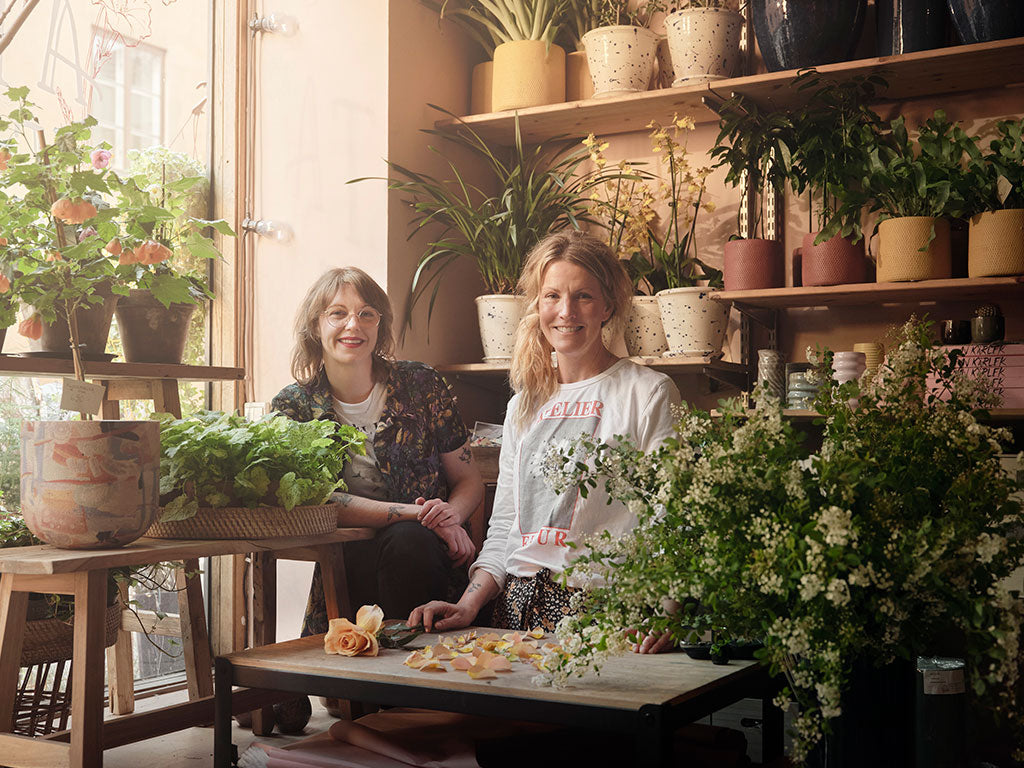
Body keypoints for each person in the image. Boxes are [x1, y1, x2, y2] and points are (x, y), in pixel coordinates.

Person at [409, 231, 681, 653]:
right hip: (514, 612)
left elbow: (671, 515)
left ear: (608, 305)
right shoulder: (524, 404)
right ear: (537, 305)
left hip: (602, 614)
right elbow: (505, 527)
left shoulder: (647, 393)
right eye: (552, 295)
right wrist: (467, 605)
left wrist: (665, 610)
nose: (566, 311)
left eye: (584, 297)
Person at [272, 267, 484, 636]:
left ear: (379, 326)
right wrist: (420, 514)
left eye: (367, 313)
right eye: (338, 313)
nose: (353, 324)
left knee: (409, 541)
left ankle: (404, 679)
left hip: (428, 554)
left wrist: (450, 516)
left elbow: (468, 480)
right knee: (394, 539)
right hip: (348, 553)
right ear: (314, 325)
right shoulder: (294, 407)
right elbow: (320, 502)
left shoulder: (421, 384)